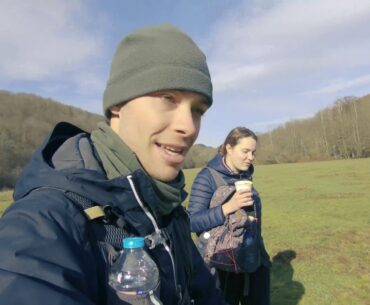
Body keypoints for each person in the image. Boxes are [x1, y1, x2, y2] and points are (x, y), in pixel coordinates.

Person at [0, 24, 226, 305]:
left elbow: (206, 294)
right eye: (168, 98)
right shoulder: (42, 224)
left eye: (198, 110)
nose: (188, 126)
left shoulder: (166, 208)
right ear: (118, 104)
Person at [188, 127, 271, 305]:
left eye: (253, 152)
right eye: (245, 151)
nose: (251, 157)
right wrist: (227, 207)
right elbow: (192, 222)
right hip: (222, 264)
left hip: (252, 257)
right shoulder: (207, 177)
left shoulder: (246, 174)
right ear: (229, 148)